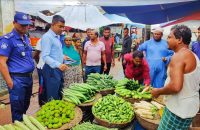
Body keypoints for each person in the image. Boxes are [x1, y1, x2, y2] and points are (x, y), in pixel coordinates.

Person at [151, 25, 200, 130]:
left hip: (178, 110)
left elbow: (176, 87)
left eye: (169, 37)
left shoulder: (179, 56)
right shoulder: (191, 54)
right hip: (187, 108)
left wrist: (158, 91)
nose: (167, 40)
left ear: (179, 39)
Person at [0, 12, 34, 121]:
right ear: (14, 23)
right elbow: (1, 62)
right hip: (17, 79)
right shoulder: (7, 39)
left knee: (25, 105)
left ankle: (22, 125)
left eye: (27, 24)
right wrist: (10, 82)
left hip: (28, 78)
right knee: (17, 109)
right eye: (22, 24)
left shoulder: (26, 38)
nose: (25, 27)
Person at [41, 15, 68, 101]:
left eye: (63, 27)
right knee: (52, 95)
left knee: (58, 91)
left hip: (57, 69)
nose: (62, 29)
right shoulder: (47, 37)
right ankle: (52, 111)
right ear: (52, 24)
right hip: (51, 70)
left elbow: (53, 52)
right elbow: (45, 56)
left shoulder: (56, 36)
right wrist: (59, 65)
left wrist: (62, 57)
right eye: (60, 26)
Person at [33, 24, 51, 106]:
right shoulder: (42, 40)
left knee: (49, 86)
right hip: (43, 68)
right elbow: (36, 55)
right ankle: (42, 104)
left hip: (51, 67)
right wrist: (40, 64)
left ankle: (48, 102)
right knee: (42, 87)